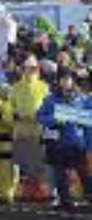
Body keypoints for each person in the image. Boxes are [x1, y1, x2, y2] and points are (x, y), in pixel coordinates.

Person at [37, 72, 89, 210]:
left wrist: (82, 120)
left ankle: (90, 199)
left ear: (72, 81)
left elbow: (89, 118)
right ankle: (65, 202)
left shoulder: (81, 99)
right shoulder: (50, 99)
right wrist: (55, 120)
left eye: (68, 79)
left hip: (77, 143)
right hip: (58, 144)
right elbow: (40, 116)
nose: (66, 82)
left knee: (84, 173)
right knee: (60, 175)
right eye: (63, 79)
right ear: (59, 81)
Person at [11, 55, 51, 187]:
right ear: (23, 69)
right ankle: (28, 189)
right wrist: (17, 114)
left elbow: (49, 107)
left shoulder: (44, 86)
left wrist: (38, 116)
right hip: (21, 129)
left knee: (39, 159)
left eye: (33, 68)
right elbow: (11, 106)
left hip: (38, 129)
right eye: (28, 68)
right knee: (23, 160)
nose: (30, 71)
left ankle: (42, 188)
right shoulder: (16, 87)